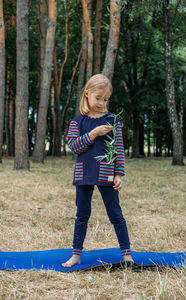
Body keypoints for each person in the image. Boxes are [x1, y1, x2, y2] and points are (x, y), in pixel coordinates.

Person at [62, 74, 134, 268]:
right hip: (83, 173)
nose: (102, 103)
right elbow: (75, 147)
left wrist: (119, 174)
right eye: (98, 98)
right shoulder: (77, 122)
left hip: (107, 173)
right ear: (87, 94)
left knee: (115, 214)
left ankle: (126, 254)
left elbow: (118, 149)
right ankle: (76, 255)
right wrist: (93, 134)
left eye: (106, 99)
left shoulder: (113, 121)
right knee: (82, 215)